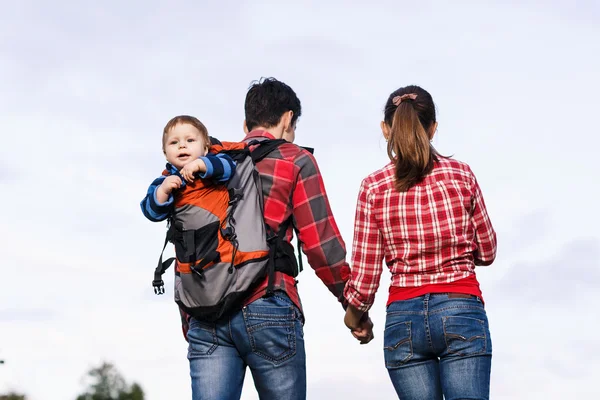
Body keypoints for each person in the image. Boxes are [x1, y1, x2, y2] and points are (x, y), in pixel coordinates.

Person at [185, 77, 371, 400]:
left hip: (207, 312)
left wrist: (190, 317)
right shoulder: (295, 159)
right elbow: (321, 246)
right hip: (268, 301)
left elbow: (188, 240)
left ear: (246, 124)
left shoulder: (211, 166)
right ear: (287, 119)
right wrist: (353, 306)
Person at [343, 85, 497, 400]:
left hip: (403, 320)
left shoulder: (373, 187)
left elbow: (365, 277)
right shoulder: (461, 176)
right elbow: (488, 250)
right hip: (461, 308)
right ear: (433, 128)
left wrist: (354, 318)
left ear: (386, 129)